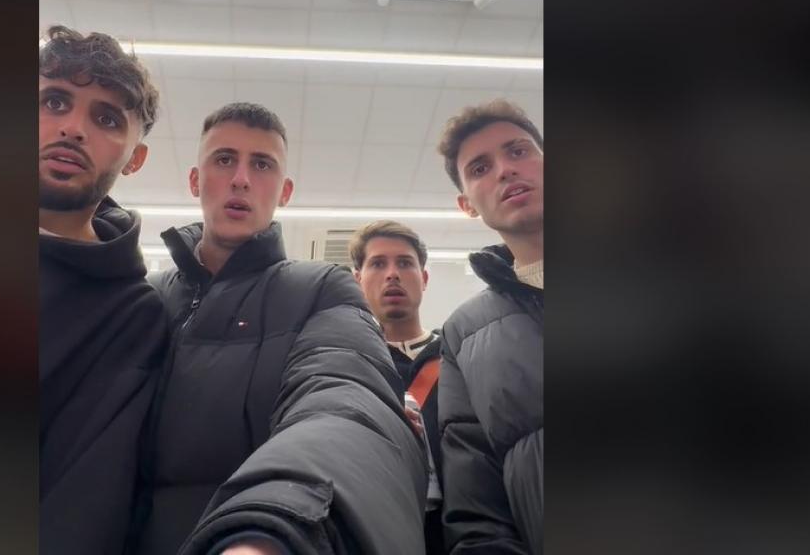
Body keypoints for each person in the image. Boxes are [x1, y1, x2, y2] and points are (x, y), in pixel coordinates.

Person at [133, 102, 426, 555]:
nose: (241, 179)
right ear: (195, 180)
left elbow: (344, 396)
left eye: (262, 164)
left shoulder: (321, 289)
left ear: (285, 191)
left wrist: (275, 531)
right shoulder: (144, 299)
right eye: (224, 159)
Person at [39, 25, 168, 555]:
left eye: (107, 118)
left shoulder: (133, 317)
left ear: (135, 158)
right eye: (54, 101)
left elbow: (83, 503)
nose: (73, 129)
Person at [434, 99, 544, 555]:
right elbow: (476, 507)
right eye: (480, 168)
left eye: (518, 151)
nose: (505, 170)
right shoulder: (463, 334)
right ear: (467, 205)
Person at [349, 220, 445, 554]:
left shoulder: (460, 357)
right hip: (370, 527)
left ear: (424, 278)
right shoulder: (345, 366)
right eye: (378, 264)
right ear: (357, 280)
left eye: (405, 263)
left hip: (457, 532)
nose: (392, 274)